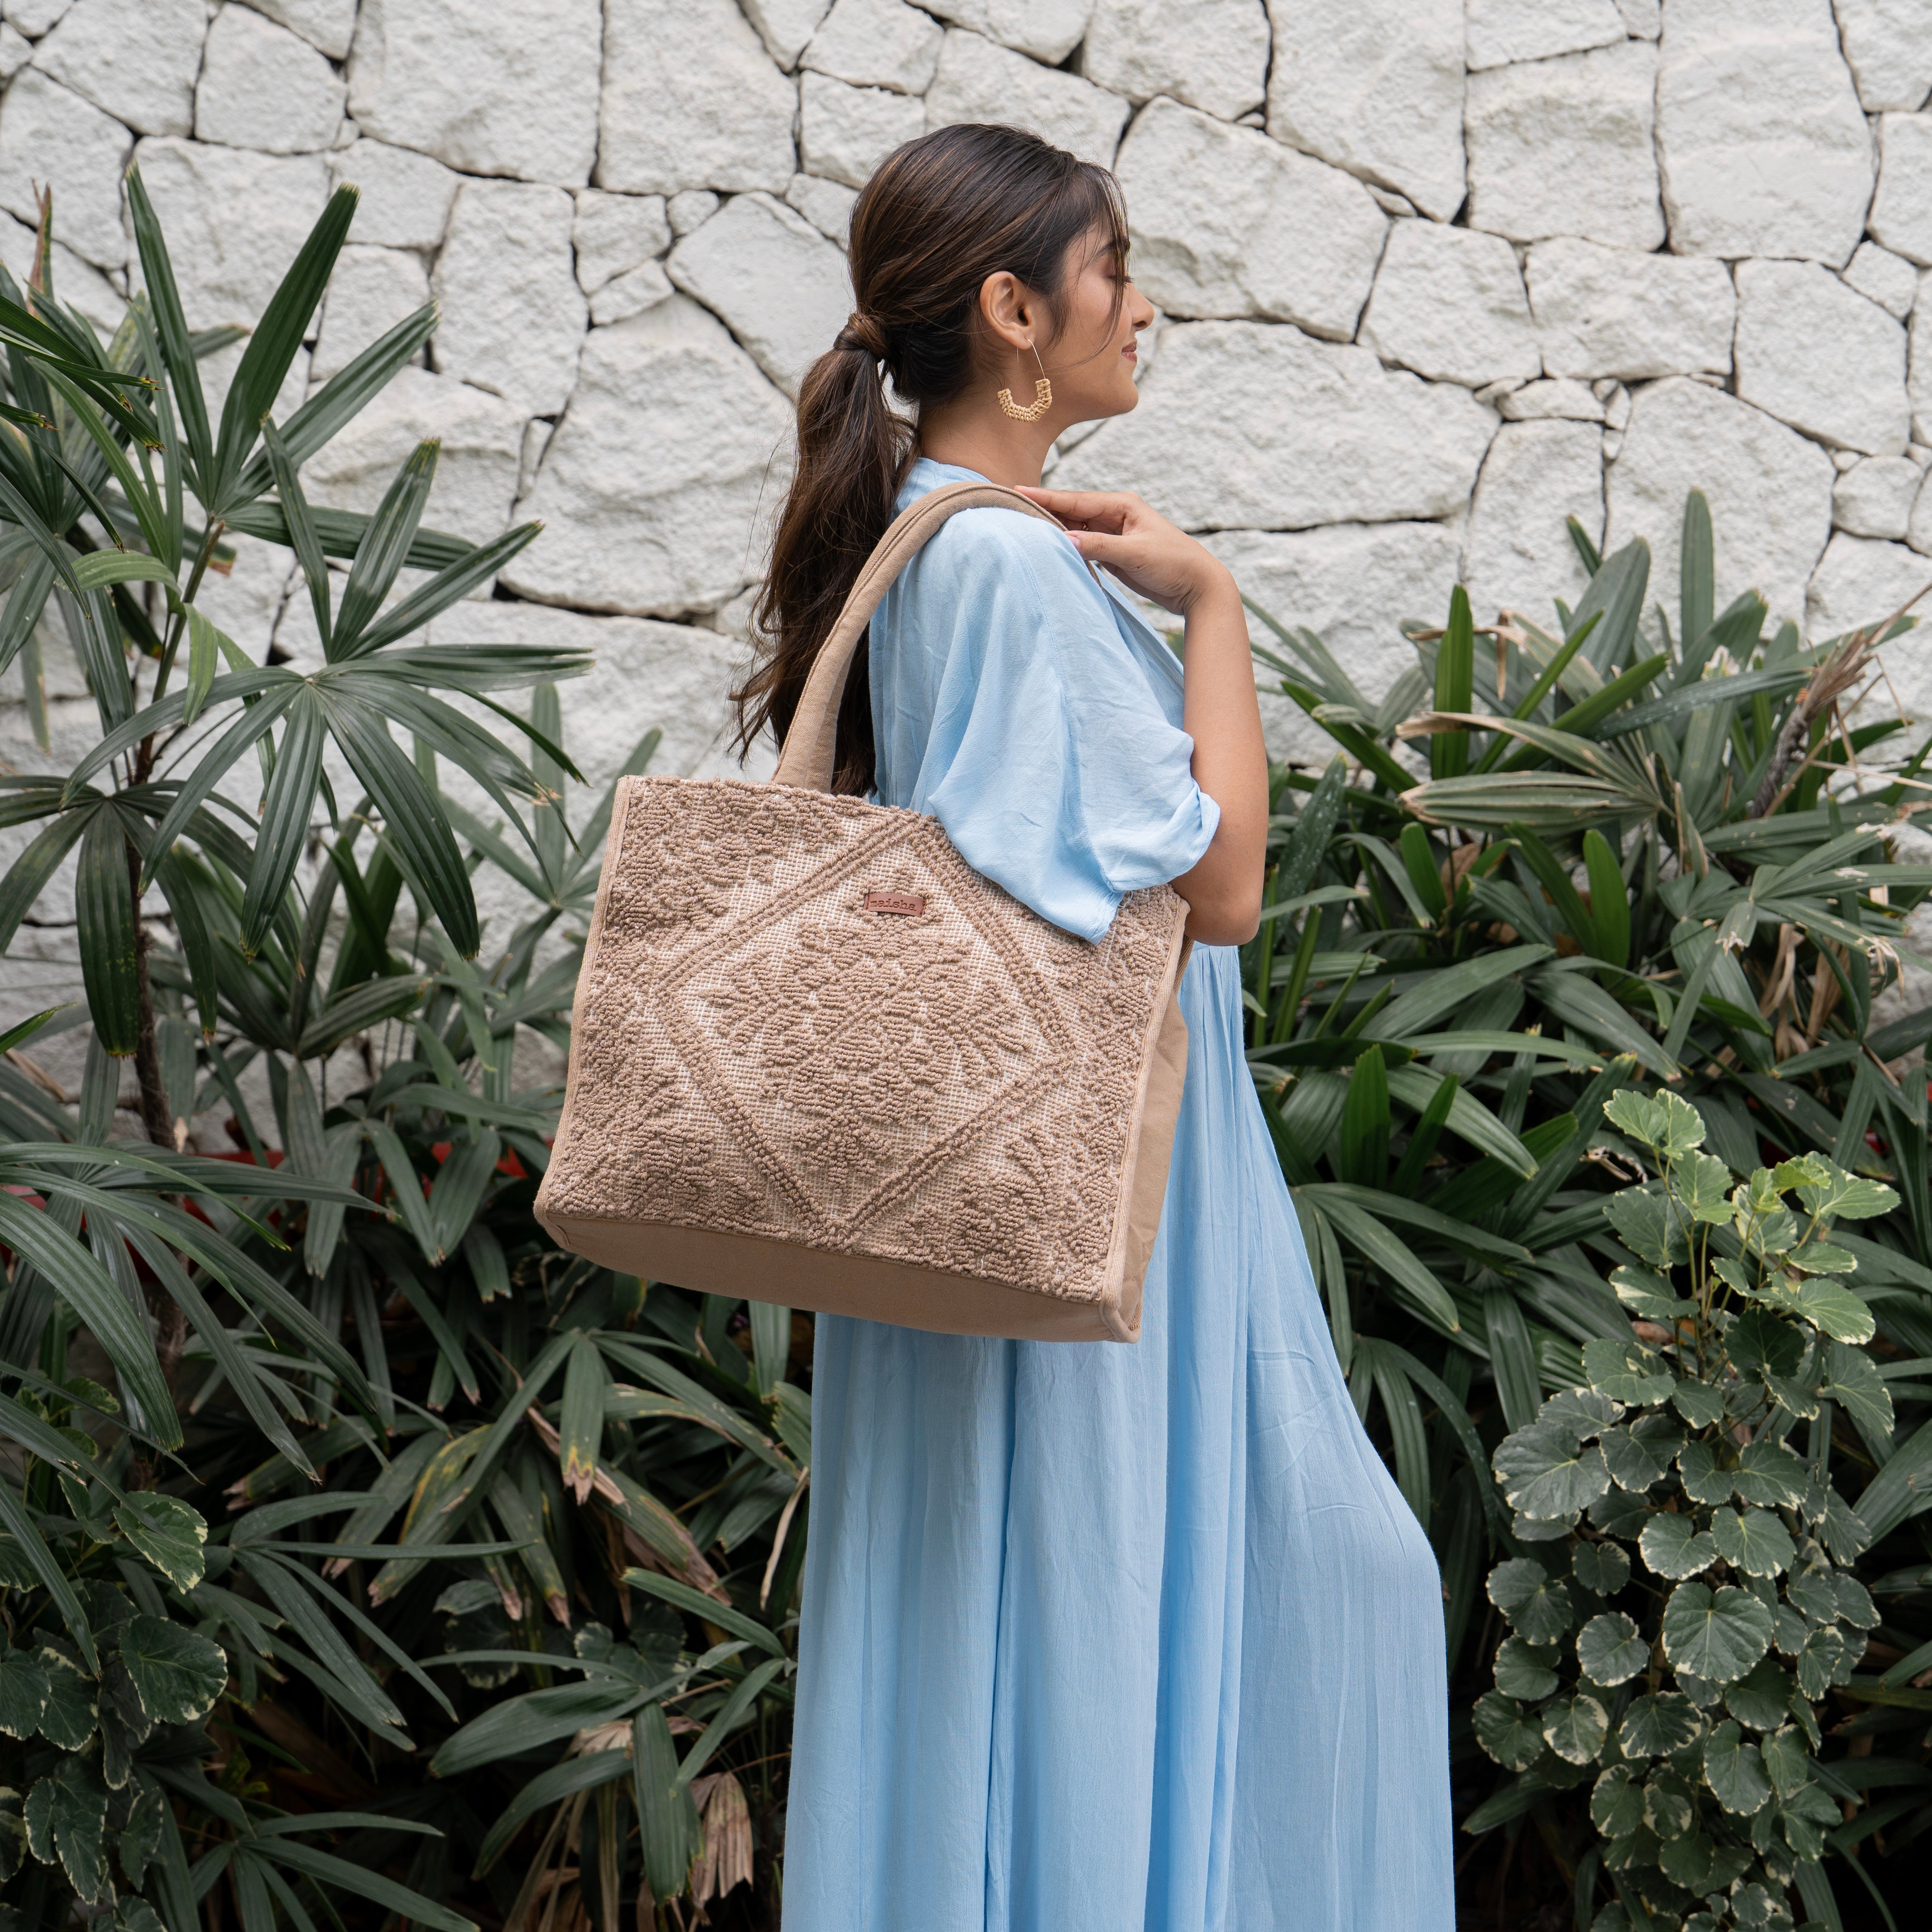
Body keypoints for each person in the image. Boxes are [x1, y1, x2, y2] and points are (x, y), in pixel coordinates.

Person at [735, 122, 1454, 1932]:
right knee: (1237, 1581)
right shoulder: (1005, 571)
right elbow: (1216, 892)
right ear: (1013, 310)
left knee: (1069, 1609)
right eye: (1114, 267)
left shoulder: (947, 545)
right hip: (1078, 1206)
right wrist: (1212, 603)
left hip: (1022, 1189)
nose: (1144, 305)